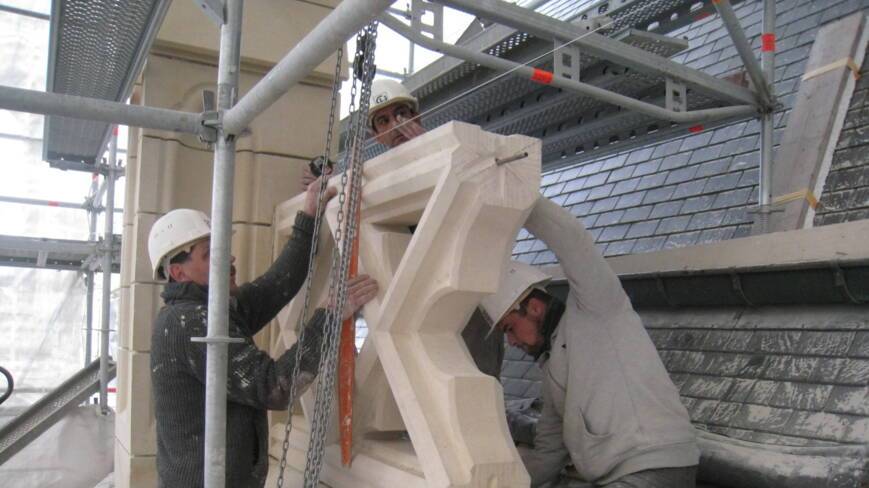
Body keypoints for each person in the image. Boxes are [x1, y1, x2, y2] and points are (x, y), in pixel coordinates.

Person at [147, 177, 379, 488]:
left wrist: (308, 218)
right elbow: (275, 386)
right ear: (178, 272)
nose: (228, 258)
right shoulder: (189, 322)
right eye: (209, 253)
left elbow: (276, 285)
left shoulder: (212, 308)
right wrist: (330, 317)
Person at [481, 196, 699, 487]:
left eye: (510, 328)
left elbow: (572, 240)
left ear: (533, 307)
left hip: (652, 466)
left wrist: (513, 192)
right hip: (619, 475)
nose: (511, 341)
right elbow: (549, 452)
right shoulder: (553, 367)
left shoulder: (595, 308)